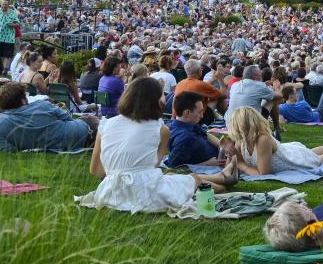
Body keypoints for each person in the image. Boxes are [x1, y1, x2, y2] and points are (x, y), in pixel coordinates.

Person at [82, 77, 238, 213]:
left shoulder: (106, 125)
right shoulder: (160, 128)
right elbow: (153, 165)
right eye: (162, 94)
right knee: (192, 180)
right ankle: (223, 181)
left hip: (110, 192)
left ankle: (221, 177)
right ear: (155, 100)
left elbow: (95, 171)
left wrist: (116, 172)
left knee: (174, 178)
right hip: (144, 193)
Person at [227, 106, 323, 177]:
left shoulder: (262, 139)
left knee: (318, 160)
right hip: (288, 152)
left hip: (291, 160)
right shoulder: (240, 140)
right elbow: (229, 166)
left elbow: (263, 173)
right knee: (309, 152)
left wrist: (242, 165)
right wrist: (228, 153)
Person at [0, 83, 98, 152]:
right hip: (79, 134)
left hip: (70, 137)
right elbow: (67, 117)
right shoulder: (41, 105)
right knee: (91, 119)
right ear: (23, 100)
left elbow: (7, 149)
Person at [165, 92, 224, 167]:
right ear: (187, 113)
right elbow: (173, 165)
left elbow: (205, 134)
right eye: (199, 112)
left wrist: (222, 146)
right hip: (211, 165)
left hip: (219, 155)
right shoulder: (185, 137)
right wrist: (206, 164)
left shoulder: (184, 124)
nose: (202, 116)